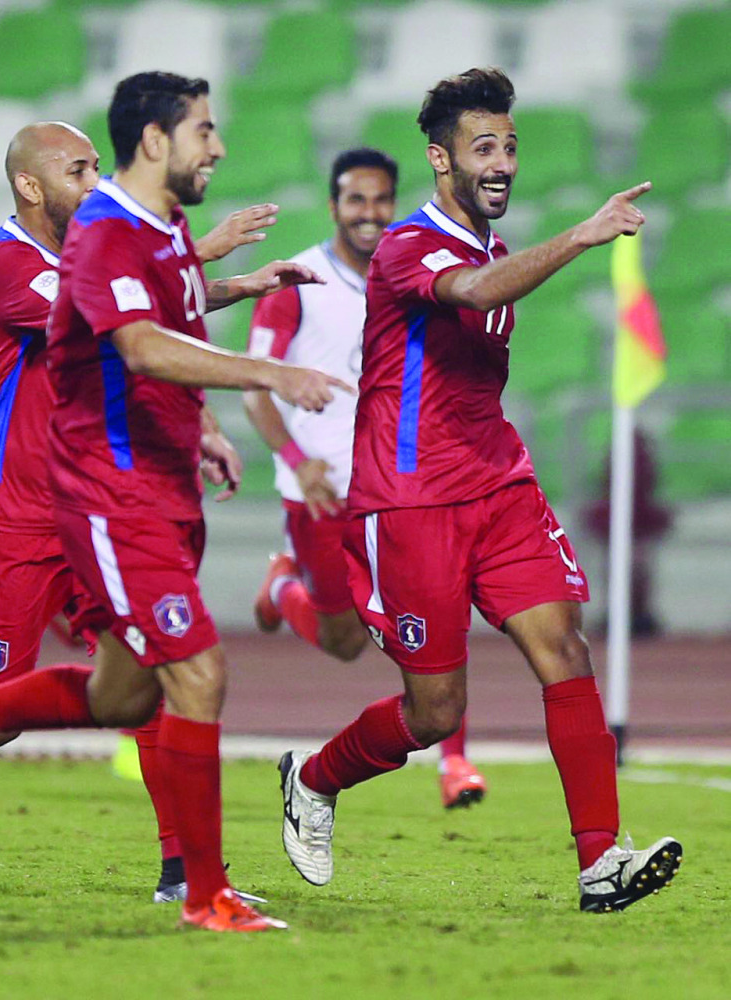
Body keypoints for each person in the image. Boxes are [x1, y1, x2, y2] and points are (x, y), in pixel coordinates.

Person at [0, 71, 351, 933]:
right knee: (157, 676)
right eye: (74, 170)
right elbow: (128, 333)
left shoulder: (142, 234)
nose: (217, 148)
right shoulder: (14, 262)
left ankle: (183, 875)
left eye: (92, 166)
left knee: (139, 689)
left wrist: (199, 420)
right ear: (32, 184)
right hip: (25, 501)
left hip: (109, 493)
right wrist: (257, 348)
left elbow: (146, 323)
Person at [277, 67, 682, 913]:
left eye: (509, 147)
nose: (501, 163)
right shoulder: (407, 248)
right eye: (483, 148)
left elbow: (486, 287)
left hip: (497, 485)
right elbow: (467, 292)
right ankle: (313, 780)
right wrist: (580, 236)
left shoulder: (494, 246)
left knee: (562, 649)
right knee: (433, 713)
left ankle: (598, 861)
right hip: (410, 503)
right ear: (440, 159)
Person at [244, 147, 487, 810]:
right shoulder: (299, 281)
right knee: (344, 641)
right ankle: (283, 587)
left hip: (395, 486)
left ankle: (456, 763)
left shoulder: (410, 271)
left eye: (381, 199)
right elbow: (253, 389)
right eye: (356, 200)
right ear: (333, 207)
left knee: (433, 612)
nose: (370, 213)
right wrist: (298, 464)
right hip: (317, 495)